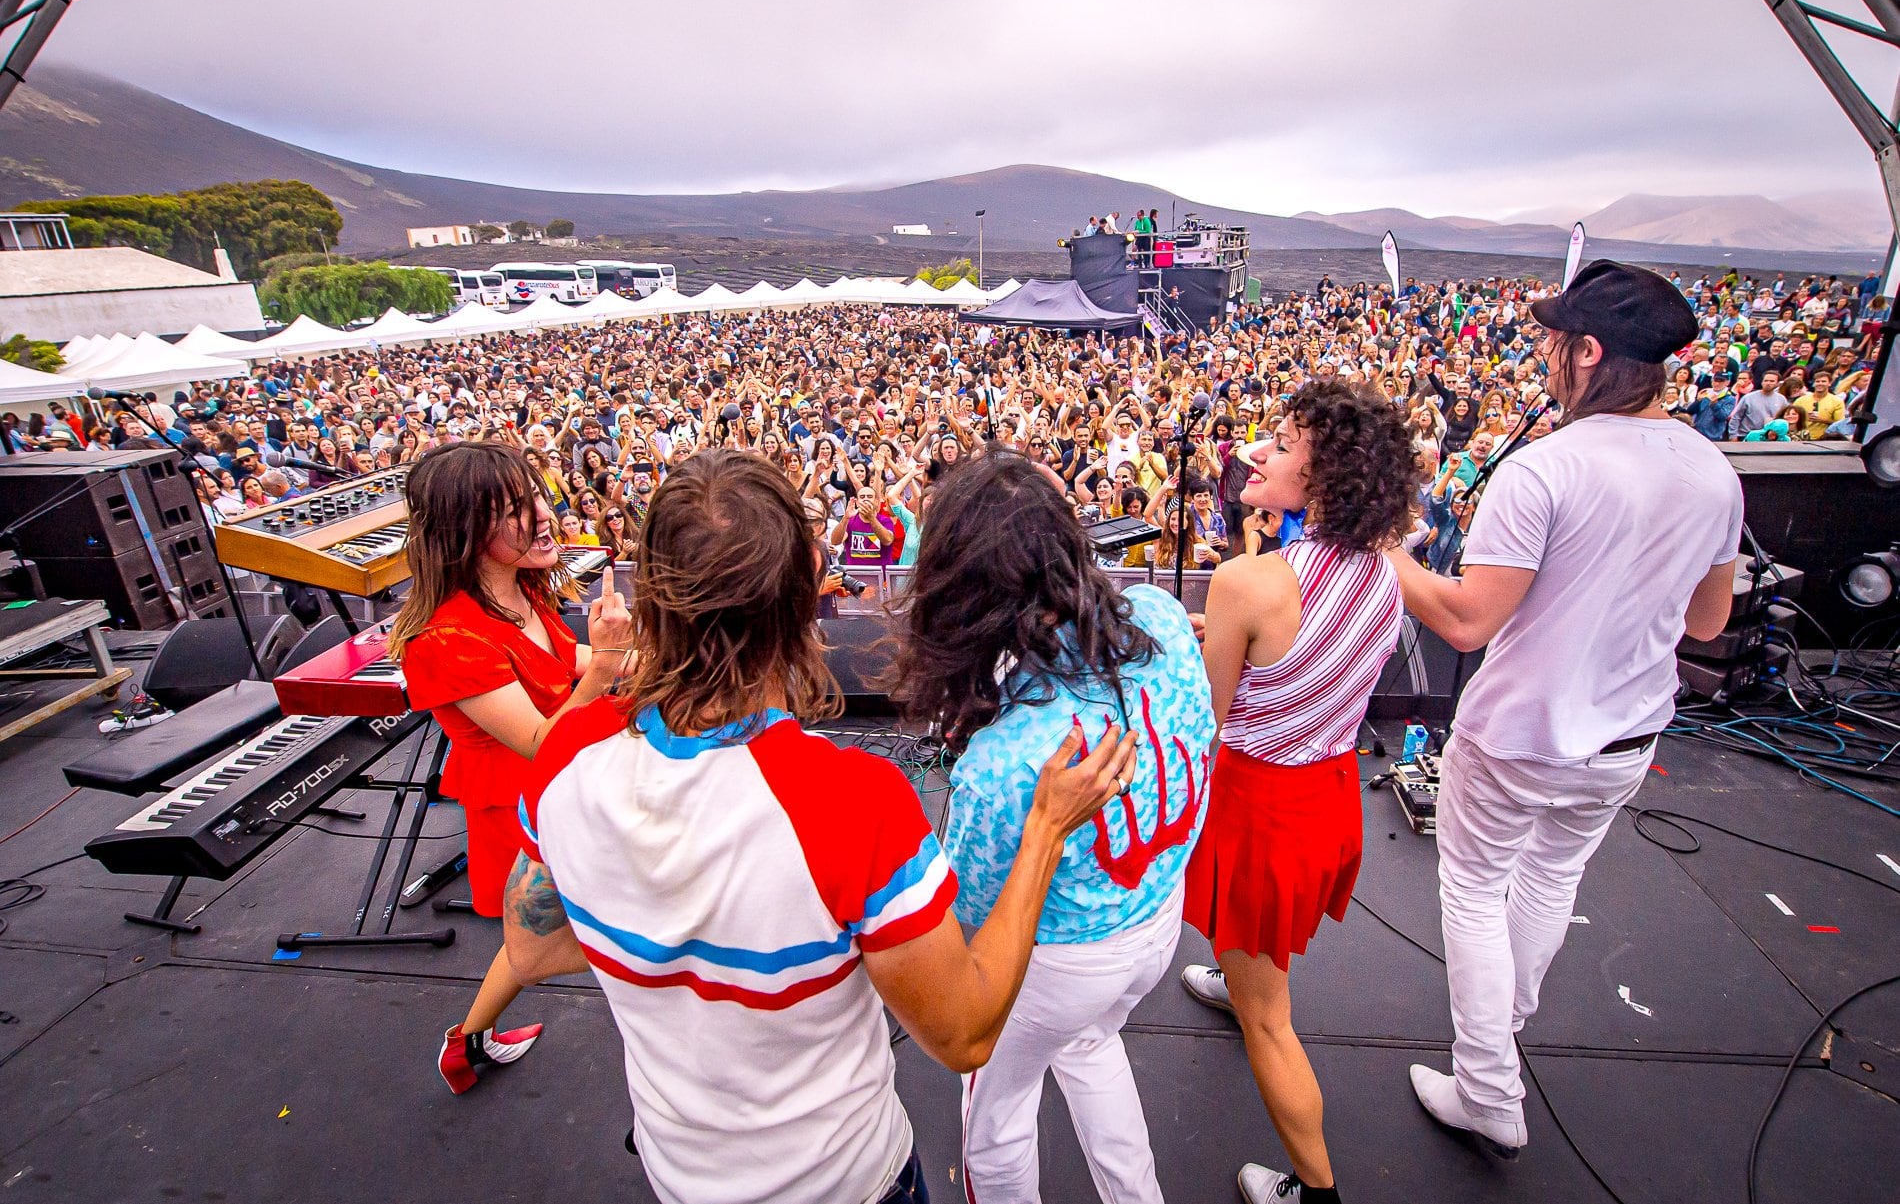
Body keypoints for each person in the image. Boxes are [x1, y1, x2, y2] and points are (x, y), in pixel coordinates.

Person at [499, 450, 1140, 1204]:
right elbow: (965, 1032)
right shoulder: (850, 801)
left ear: (654, 597)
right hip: (845, 1180)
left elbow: (531, 945)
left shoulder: (569, 753)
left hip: (680, 1176)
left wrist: (678, 936)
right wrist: (1045, 832)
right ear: (803, 605)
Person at [1384, 260, 1742, 1159]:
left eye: (1552, 341)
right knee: (1550, 880)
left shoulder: (1544, 470)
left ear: (1586, 354)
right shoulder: (1714, 471)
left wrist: (1388, 556)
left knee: (1472, 887)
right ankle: (1497, 1045)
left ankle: (1488, 1091)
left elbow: (1467, 622)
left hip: (1518, 733)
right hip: (1628, 736)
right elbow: (1708, 620)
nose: (1542, 355)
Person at [887, 450, 1217, 1204]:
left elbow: (969, 931)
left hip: (1059, 962)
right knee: (1094, 1045)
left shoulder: (1008, 761)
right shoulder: (1162, 616)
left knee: (995, 1116)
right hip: (1158, 923)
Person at [1178, 380, 1422, 1204]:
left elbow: (1203, 721)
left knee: (1270, 1024)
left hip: (1261, 810)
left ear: (1322, 483)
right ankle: (1237, 967)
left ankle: (1315, 1190)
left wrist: (1189, 646)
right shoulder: (1385, 574)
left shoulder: (1250, 579)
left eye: (1281, 446)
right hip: (1328, 793)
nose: (1261, 452)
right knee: (1258, 961)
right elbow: (1309, 668)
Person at [388, 442, 636, 1094]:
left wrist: (648, 658)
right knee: (558, 931)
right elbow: (540, 739)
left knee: (526, 940)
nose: (543, 513)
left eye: (534, 495)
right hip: (522, 806)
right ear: (466, 532)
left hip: (563, 790)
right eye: (515, 508)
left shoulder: (521, 592)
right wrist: (610, 666)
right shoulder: (446, 641)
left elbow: (565, 659)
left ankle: (464, 1043)